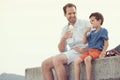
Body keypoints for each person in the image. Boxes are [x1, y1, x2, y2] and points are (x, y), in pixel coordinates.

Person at [41, 3, 90, 80]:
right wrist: (64, 38)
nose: (72, 15)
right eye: (69, 13)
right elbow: (61, 50)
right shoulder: (65, 29)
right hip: (72, 52)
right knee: (45, 64)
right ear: (65, 14)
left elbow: (96, 38)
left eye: (74, 13)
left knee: (57, 60)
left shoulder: (85, 23)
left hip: (83, 51)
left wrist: (86, 49)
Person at [74, 12, 109, 80]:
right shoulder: (91, 33)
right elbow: (84, 42)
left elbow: (106, 43)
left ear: (99, 21)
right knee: (76, 61)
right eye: (90, 21)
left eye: (93, 20)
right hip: (90, 51)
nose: (91, 23)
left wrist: (103, 52)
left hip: (97, 51)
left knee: (87, 59)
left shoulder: (103, 30)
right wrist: (85, 33)